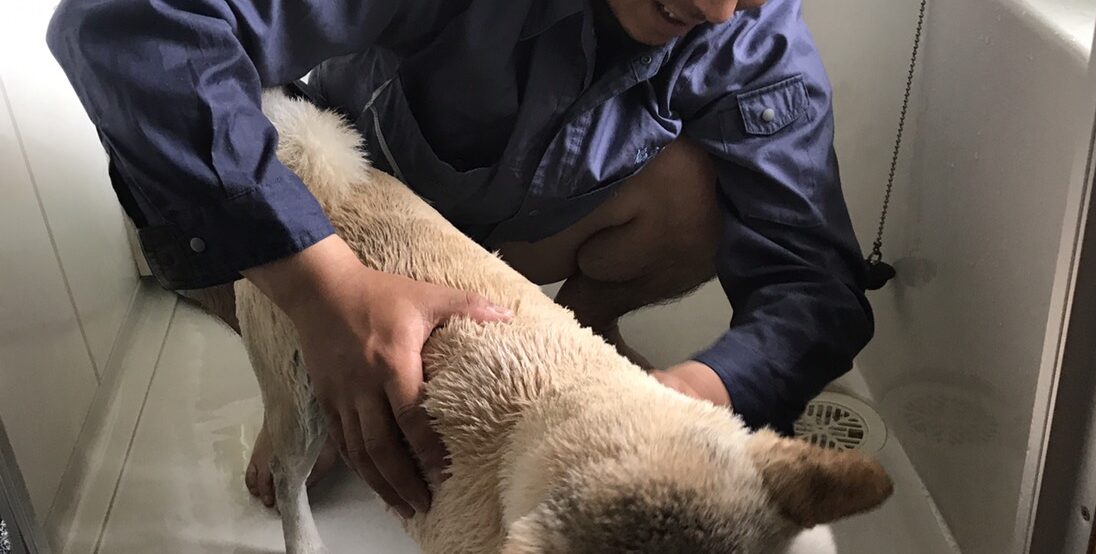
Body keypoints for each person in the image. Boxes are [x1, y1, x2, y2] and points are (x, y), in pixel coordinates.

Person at [47, 0, 874, 520]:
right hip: (366, 196)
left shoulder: (755, 37)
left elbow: (816, 284)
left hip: (519, 218)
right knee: (259, 183)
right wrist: (322, 290)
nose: (717, 9)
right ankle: (303, 362)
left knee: (701, 190)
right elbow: (125, 24)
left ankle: (585, 332)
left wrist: (693, 397)